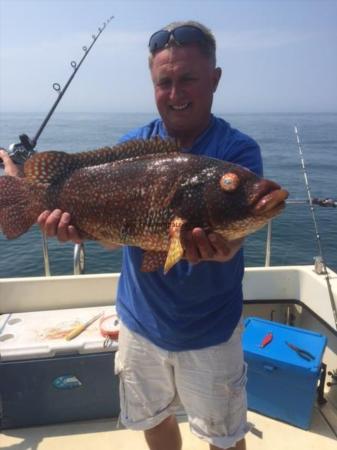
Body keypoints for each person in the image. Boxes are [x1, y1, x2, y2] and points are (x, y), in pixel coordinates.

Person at [0, 21, 263, 450]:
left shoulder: (237, 152)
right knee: (152, 418)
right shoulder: (134, 144)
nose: (176, 94)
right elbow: (116, 238)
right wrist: (74, 230)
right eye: (165, 82)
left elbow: (232, 235)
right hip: (140, 323)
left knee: (225, 436)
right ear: (153, 84)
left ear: (214, 79)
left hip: (211, 330)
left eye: (188, 80)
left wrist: (221, 247)